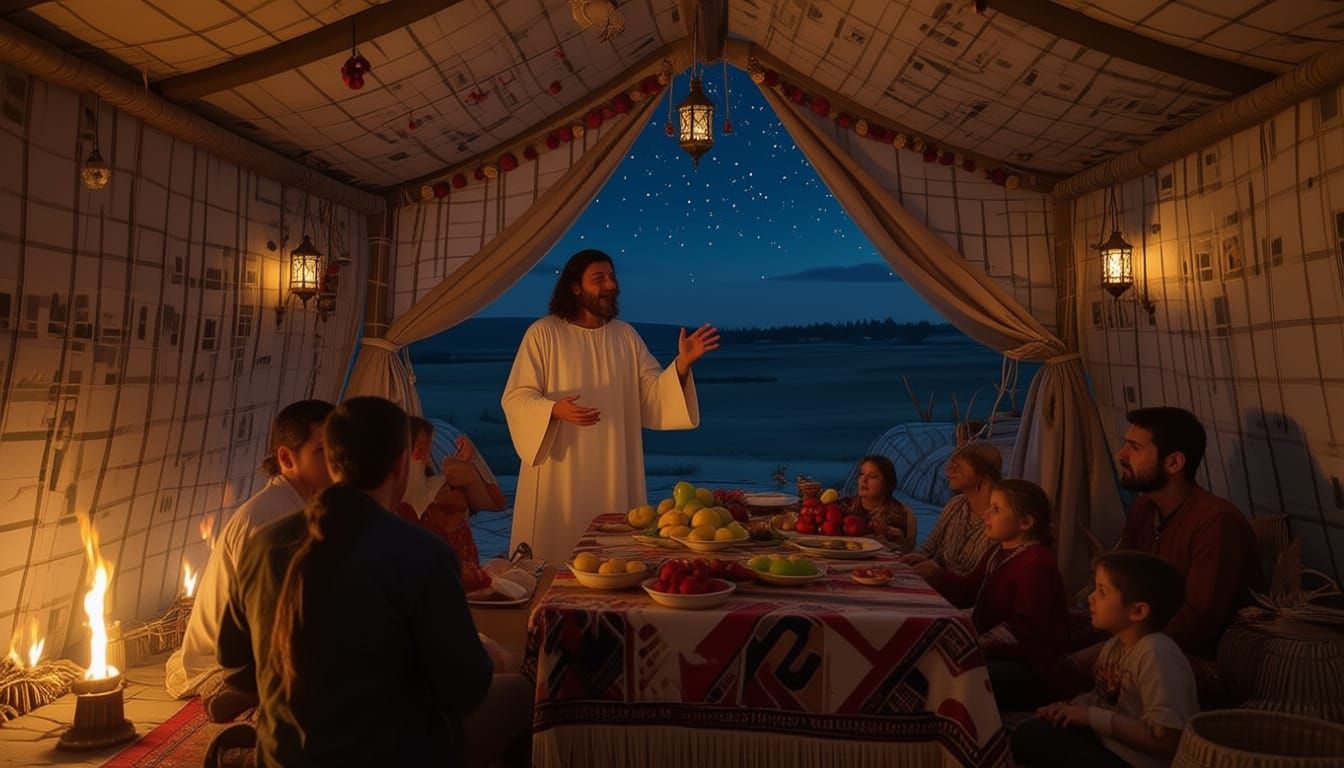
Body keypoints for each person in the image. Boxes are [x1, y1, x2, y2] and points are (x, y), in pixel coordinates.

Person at [217, 396, 531, 767]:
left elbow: (235, 666)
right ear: (401, 465)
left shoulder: (264, 545)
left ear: (332, 462)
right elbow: (467, 689)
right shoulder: (422, 553)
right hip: (393, 755)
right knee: (521, 689)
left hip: (287, 757)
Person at [501, 249, 718, 564]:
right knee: (556, 551)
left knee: (612, 559)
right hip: (561, 468)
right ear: (575, 287)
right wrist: (552, 410)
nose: (611, 285)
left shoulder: (625, 336)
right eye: (599, 278)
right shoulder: (544, 333)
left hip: (615, 464)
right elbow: (516, 396)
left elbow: (653, 394)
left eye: (612, 277)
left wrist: (681, 365)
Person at [164, 399, 334, 700]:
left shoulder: (302, 505)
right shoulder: (269, 516)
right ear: (287, 458)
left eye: (337, 449)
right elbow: (271, 619)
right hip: (224, 660)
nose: (334, 461)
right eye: (321, 451)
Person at [1012, 551, 1198, 768]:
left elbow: (1166, 739)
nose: (1090, 598)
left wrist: (1090, 716)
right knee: (1030, 733)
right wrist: (1069, 708)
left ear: (1138, 611)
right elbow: (1102, 700)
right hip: (1108, 743)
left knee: (1036, 739)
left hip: (1135, 761)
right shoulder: (1115, 645)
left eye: (1102, 592)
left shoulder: (1157, 653)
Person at [1113, 407, 1263, 659]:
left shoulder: (1216, 521)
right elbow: (1121, 580)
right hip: (1145, 641)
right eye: (1125, 444)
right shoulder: (1144, 507)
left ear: (1174, 463)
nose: (1121, 454)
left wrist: (1126, 654)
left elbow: (1198, 619)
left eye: (1134, 447)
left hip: (1198, 659)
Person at [914, 479, 1070, 710]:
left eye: (996, 509)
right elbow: (970, 592)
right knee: (922, 649)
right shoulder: (997, 552)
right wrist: (936, 575)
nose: (986, 514)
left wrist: (975, 644)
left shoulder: (1037, 564)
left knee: (941, 671)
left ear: (1025, 522)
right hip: (995, 651)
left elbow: (1023, 627)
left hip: (1027, 664)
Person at [902, 440, 1001, 575]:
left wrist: (940, 573)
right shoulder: (956, 505)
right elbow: (929, 547)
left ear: (983, 475)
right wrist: (919, 557)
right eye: (951, 464)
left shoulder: (999, 518)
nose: (948, 470)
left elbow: (985, 577)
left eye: (958, 466)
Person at [840, 455, 917, 551]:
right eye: (862, 474)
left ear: (887, 483)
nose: (864, 480)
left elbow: (896, 550)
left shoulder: (897, 513)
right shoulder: (845, 505)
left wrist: (880, 536)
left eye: (872, 476)